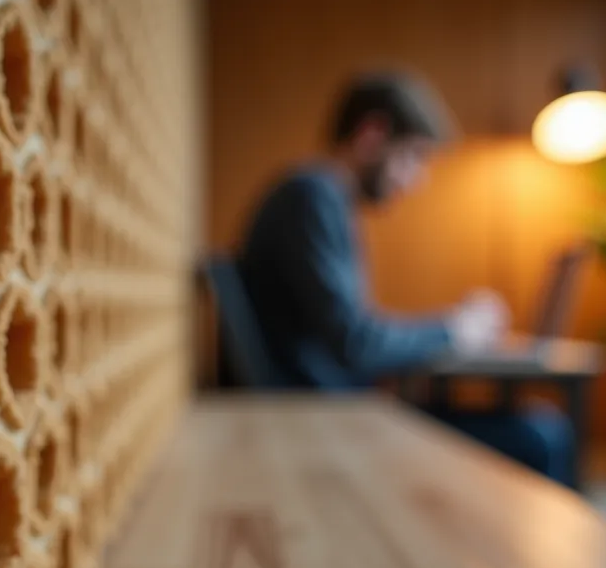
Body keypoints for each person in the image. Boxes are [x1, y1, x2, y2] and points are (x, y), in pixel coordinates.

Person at [235, 70, 575, 487]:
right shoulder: (311, 197)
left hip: (338, 407)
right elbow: (356, 343)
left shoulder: (324, 200)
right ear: (372, 134)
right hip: (322, 419)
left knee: (540, 424)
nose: (414, 180)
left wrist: (453, 328)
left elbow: (352, 335)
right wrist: (455, 329)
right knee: (542, 435)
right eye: (413, 156)